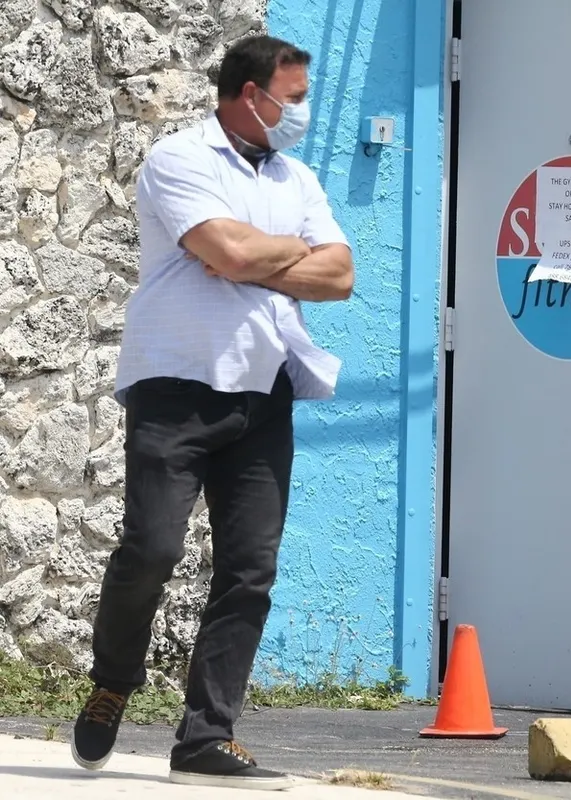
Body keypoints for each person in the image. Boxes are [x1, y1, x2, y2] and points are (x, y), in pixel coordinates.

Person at [70, 35, 354, 790]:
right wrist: (275, 254)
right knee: (152, 548)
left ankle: (206, 737)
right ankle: (112, 681)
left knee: (249, 570)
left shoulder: (296, 177)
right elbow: (227, 253)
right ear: (249, 94)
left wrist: (254, 255)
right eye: (293, 99)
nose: (301, 112)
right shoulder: (181, 158)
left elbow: (340, 274)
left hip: (266, 390)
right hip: (176, 386)